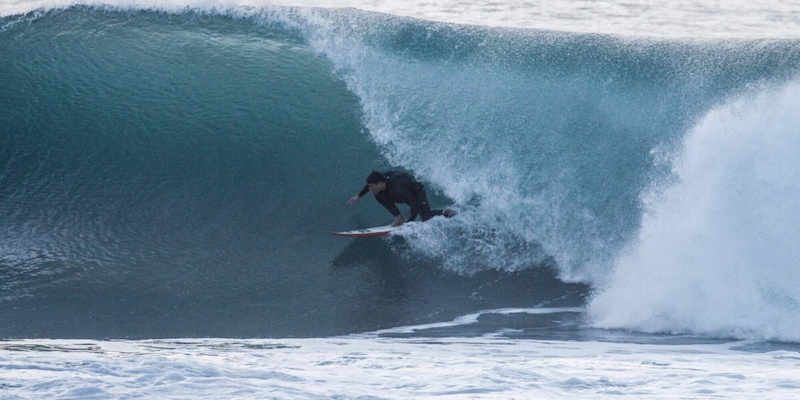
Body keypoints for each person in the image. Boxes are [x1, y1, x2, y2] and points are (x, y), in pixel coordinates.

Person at [348, 171, 455, 227]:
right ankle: (398, 217)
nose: (369, 189)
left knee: (426, 217)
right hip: (397, 190)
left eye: (372, 186)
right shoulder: (379, 180)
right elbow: (369, 185)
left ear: (380, 184)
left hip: (416, 191)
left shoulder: (398, 188)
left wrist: (409, 222)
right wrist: (359, 195)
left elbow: (415, 204)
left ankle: (445, 212)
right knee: (378, 194)